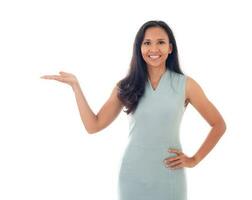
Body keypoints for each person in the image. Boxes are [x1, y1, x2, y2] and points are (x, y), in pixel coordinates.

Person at [40, 20, 227, 200]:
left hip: (170, 175)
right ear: (139, 48)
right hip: (132, 176)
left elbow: (218, 124)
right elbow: (93, 125)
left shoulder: (186, 85)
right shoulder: (127, 85)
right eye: (147, 43)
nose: (154, 49)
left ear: (170, 48)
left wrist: (194, 159)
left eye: (160, 42)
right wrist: (76, 87)